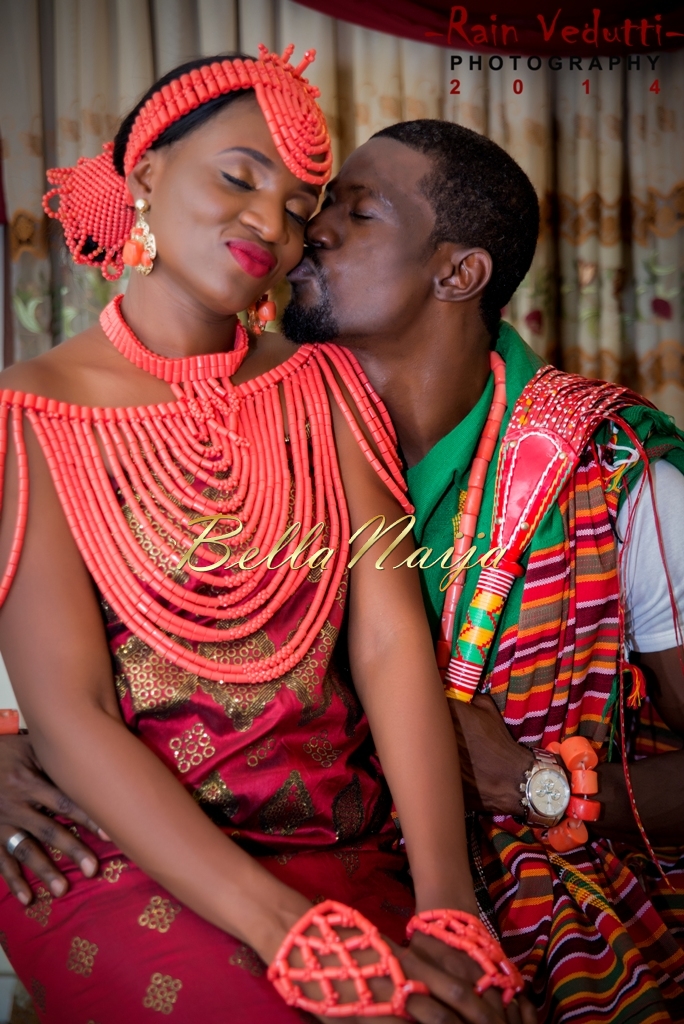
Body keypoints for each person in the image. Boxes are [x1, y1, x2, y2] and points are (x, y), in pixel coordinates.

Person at [0, 54, 527, 1024]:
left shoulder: (324, 388)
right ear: (146, 173)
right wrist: (289, 932)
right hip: (127, 857)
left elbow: (386, 640)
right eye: (240, 177)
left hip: (339, 835)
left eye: (296, 206)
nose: (271, 225)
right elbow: (70, 714)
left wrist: (449, 902)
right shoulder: (37, 412)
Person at [278, 121, 684, 1023]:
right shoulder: (264, 441)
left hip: (573, 916)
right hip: (321, 889)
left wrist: (536, 782)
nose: (314, 229)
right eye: (323, 204)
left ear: (458, 273)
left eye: (360, 211)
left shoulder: (612, 475)